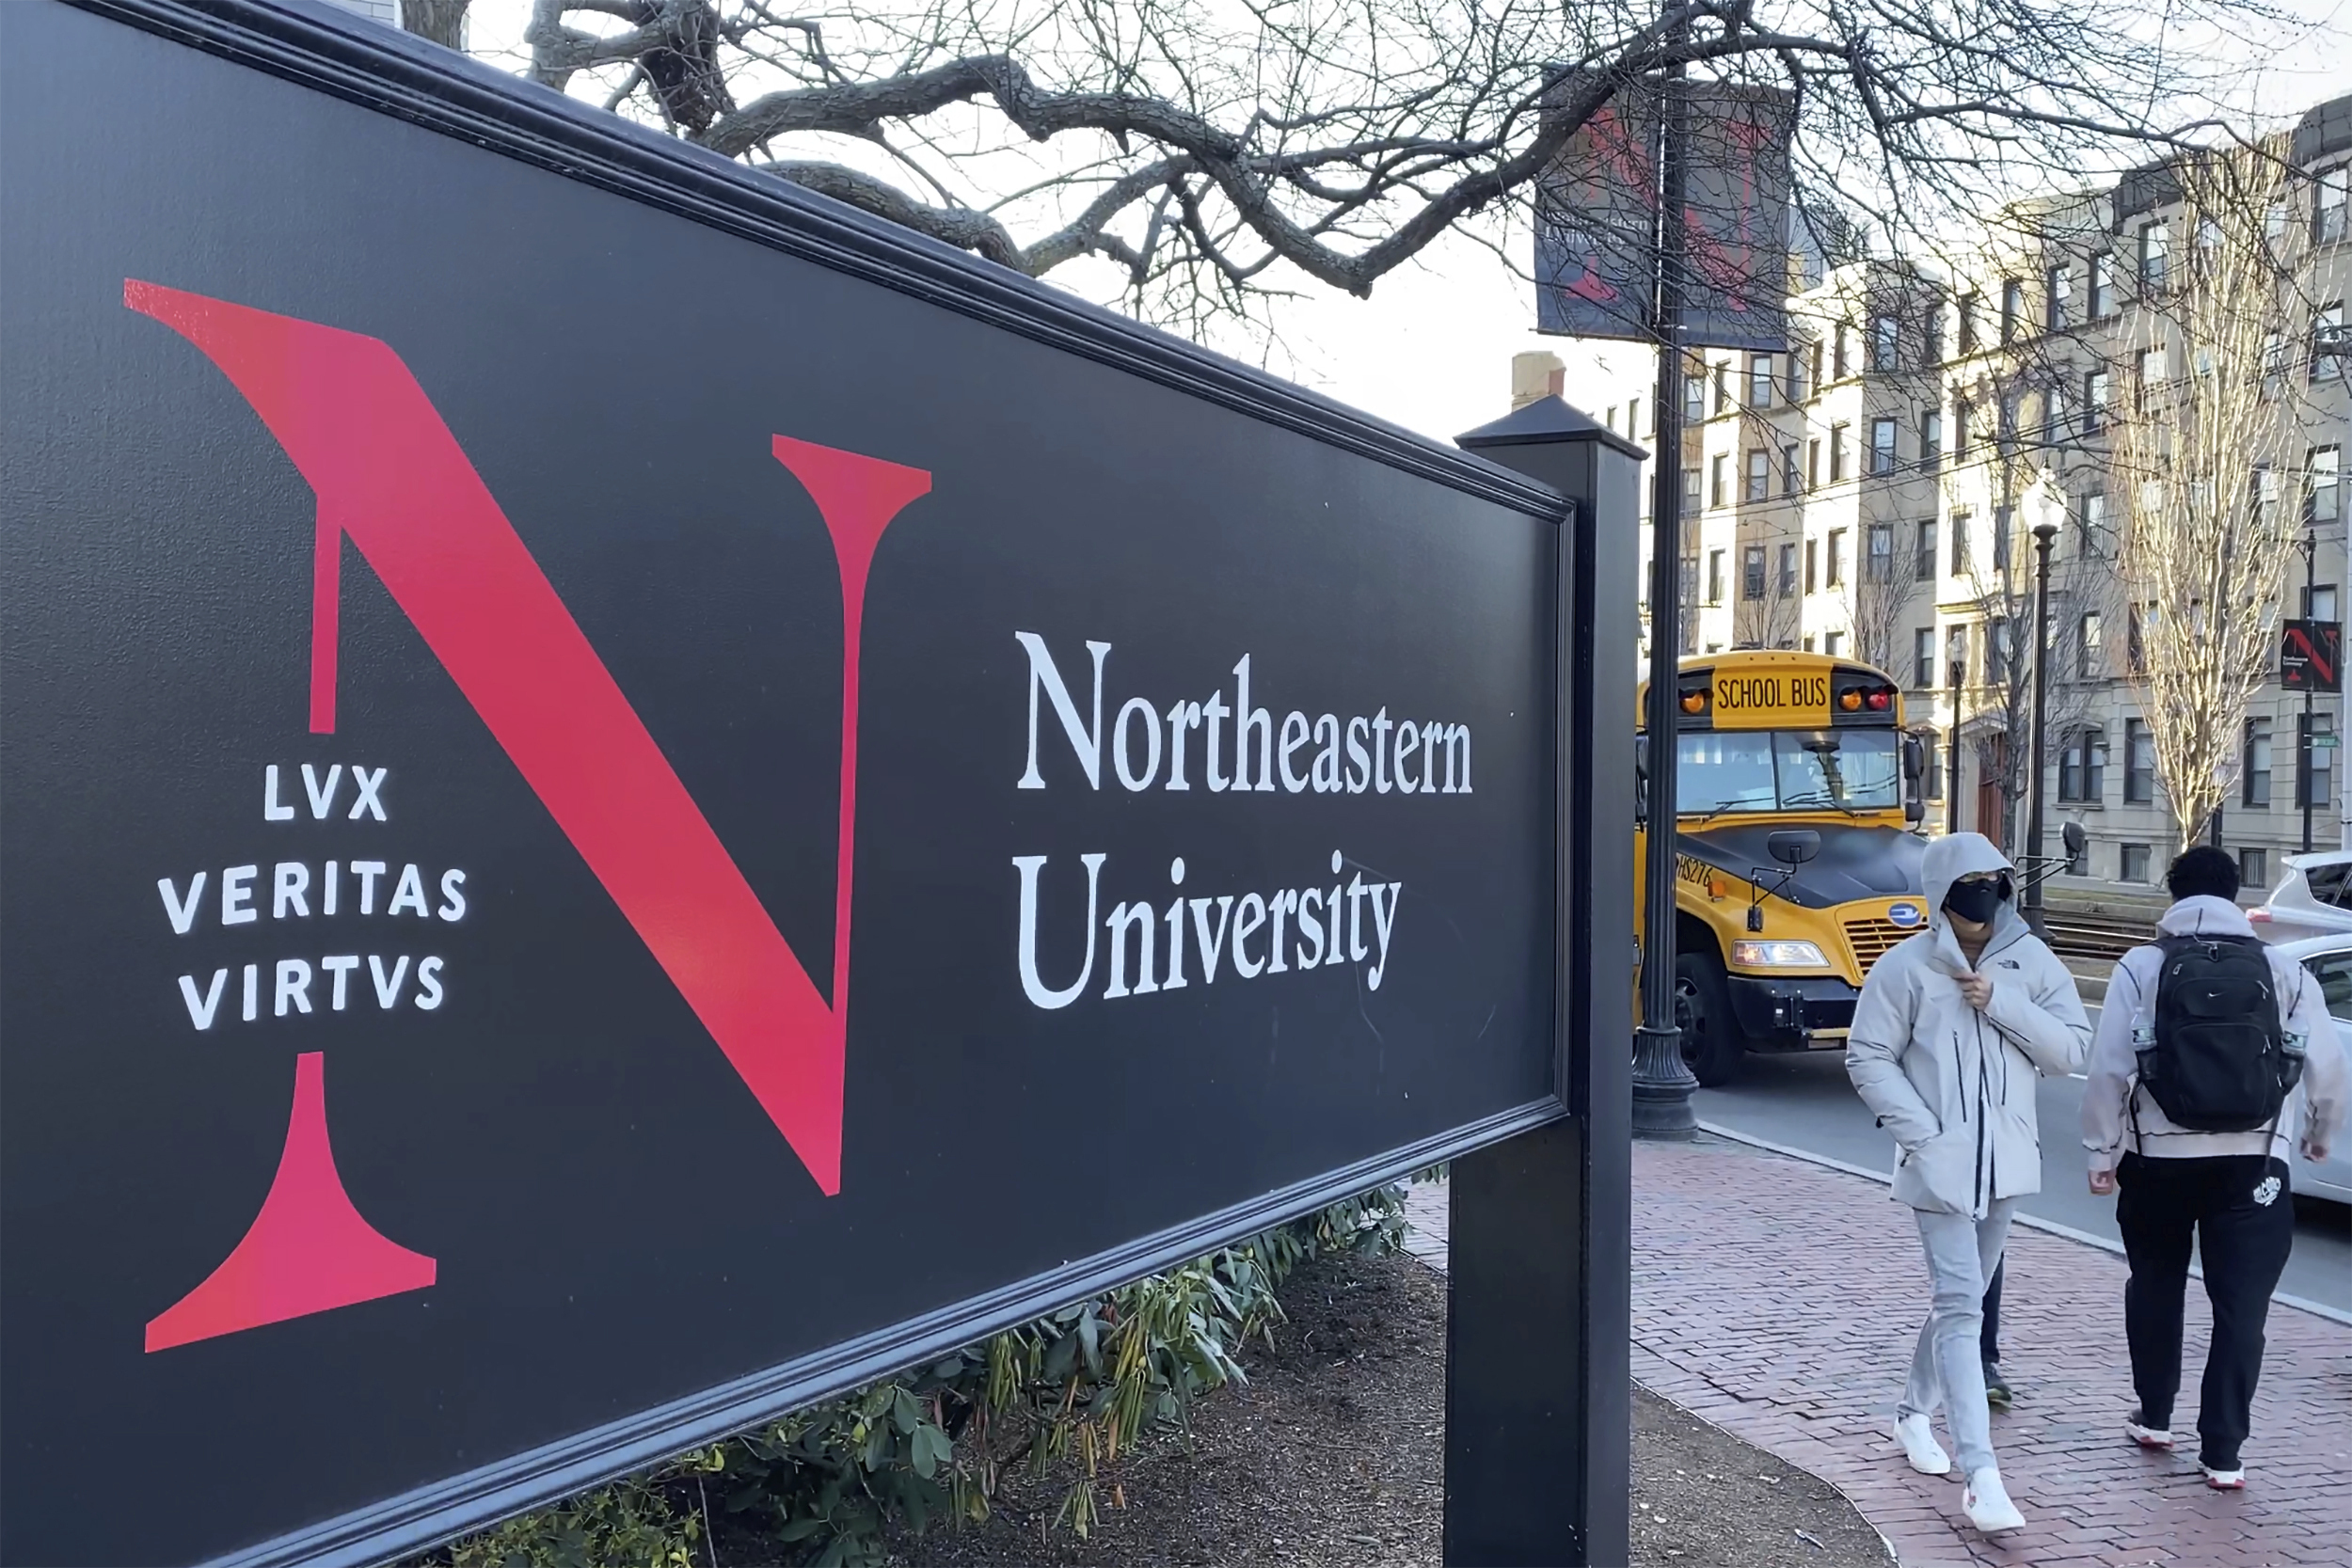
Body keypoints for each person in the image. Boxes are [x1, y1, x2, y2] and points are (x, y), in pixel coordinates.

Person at [2082, 845, 2348, 1490]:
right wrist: (2317, 1134)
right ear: (2234, 892)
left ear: (2173, 895)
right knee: (2242, 1308)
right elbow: (2326, 1063)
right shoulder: (2282, 970)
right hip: (2253, 1162)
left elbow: (2110, 1066)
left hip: (2157, 1159)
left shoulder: (2142, 965)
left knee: (2156, 1281)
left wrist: (2102, 1149)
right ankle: (2224, 1451)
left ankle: (2154, 1416)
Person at [1847, 832, 2090, 1535]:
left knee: (1964, 1297)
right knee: (1961, 1305)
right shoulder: (1906, 970)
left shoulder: (2030, 961)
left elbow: (2070, 1049)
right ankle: (1983, 1475)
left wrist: (2000, 1000)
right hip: (1937, 1169)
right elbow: (1868, 1056)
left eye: (1997, 878)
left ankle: (1911, 1413)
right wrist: (1924, 1138)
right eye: (1973, 879)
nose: (1988, 890)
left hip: (2007, 1163)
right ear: (1945, 890)